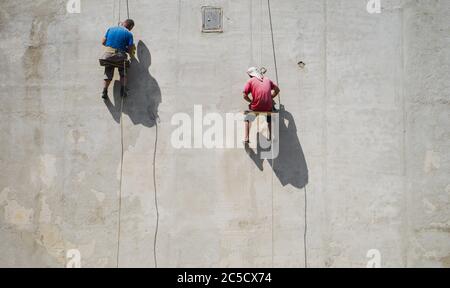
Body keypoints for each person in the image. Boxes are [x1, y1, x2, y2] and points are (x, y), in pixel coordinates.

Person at [243, 67, 280, 143]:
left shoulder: (250, 81)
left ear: (251, 75)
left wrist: (250, 101)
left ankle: (246, 138)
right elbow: (277, 90)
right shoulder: (268, 80)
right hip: (268, 107)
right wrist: (271, 97)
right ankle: (270, 136)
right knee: (269, 115)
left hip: (256, 107)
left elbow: (244, 95)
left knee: (247, 119)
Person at [101, 19, 135, 99]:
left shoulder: (110, 29)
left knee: (108, 72)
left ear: (123, 23)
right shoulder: (129, 34)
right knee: (123, 72)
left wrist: (112, 46)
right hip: (120, 56)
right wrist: (130, 53)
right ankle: (123, 90)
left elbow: (103, 42)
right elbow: (130, 49)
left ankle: (104, 90)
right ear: (130, 26)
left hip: (108, 55)